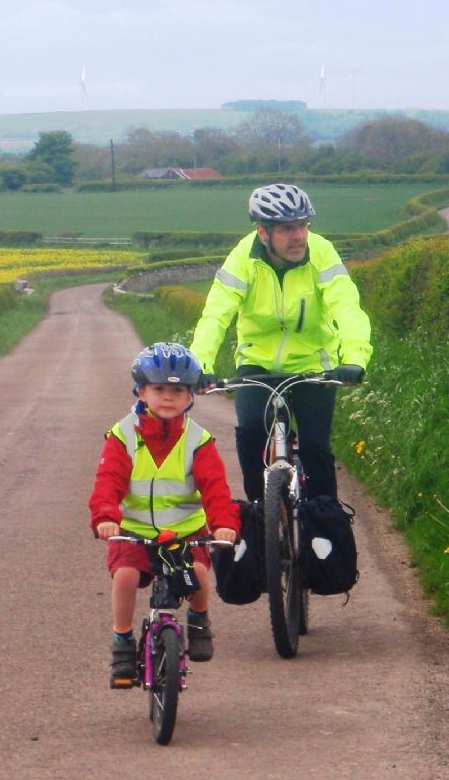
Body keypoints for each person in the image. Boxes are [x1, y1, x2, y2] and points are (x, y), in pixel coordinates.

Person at [190, 183, 372, 501]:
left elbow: (346, 305)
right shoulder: (242, 259)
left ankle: (324, 526)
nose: (298, 236)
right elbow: (215, 315)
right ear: (263, 232)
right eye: (287, 229)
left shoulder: (322, 252)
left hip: (313, 364)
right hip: (256, 363)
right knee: (249, 433)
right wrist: (200, 364)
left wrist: (354, 358)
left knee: (315, 448)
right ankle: (260, 513)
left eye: (302, 225)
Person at [89, 342, 239, 689]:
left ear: (190, 397)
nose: (167, 397)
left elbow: (216, 489)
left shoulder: (198, 440)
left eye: (178, 390)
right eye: (158, 389)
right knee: (125, 576)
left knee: (199, 572)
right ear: (141, 391)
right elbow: (108, 481)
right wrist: (105, 517)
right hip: (134, 531)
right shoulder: (123, 436)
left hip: (186, 531)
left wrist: (225, 525)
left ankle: (199, 619)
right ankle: (122, 642)